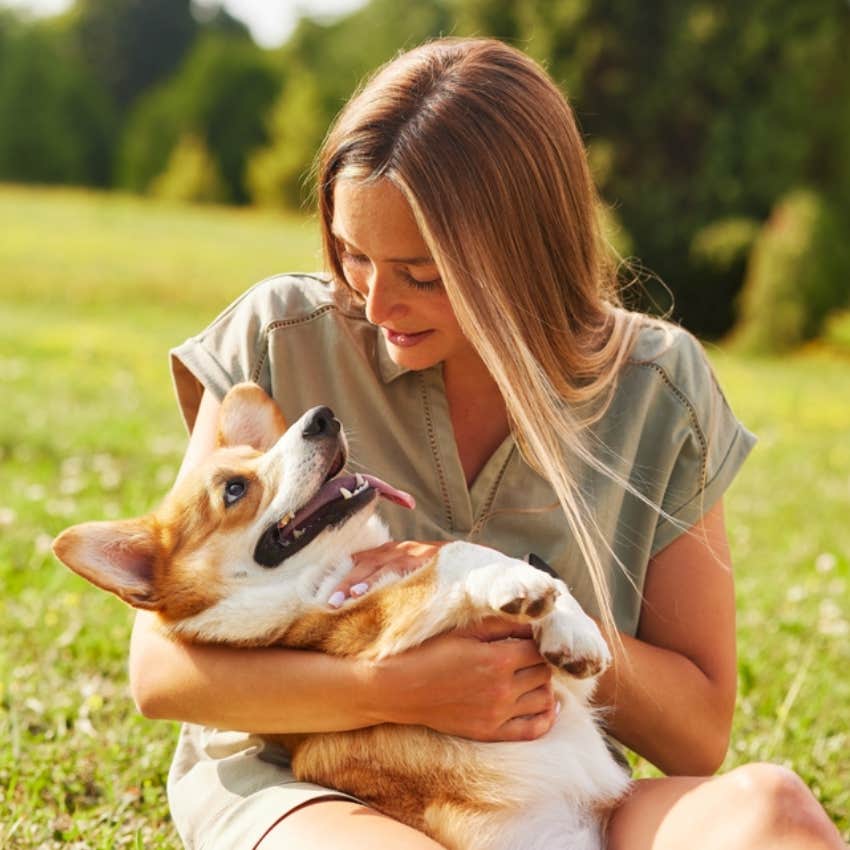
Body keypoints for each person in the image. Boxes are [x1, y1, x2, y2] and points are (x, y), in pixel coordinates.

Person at [129, 37, 846, 850]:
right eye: (352, 254)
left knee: (772, 817)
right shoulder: (281, 337)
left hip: (548, 798)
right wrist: (396, 687)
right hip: (314, 789)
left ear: (523, 251)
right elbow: (162, 674)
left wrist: (513, 605)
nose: (375, 299)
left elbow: (696, 735)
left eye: (423, 273)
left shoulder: (656, 384)